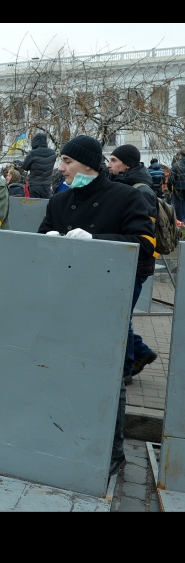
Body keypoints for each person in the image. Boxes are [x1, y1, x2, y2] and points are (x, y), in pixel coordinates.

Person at [37, 135, 156, 476]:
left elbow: (144, 242)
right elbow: (44, 234)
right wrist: (47, 241)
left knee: (110, 373)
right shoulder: (59, 202)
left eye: (67, 162)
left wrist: (97, 241)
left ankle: (112, 451)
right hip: (64, 299)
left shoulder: (126, 196)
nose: (61, 168)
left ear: (88, 164)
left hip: (106, 301)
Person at [107, 144, 160, 384]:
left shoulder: (140, 190)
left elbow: (143, 236)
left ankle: (126, 369)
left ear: (127, 164)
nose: (109, 165)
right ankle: (140, 352)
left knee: (121, 316)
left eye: (114, 160)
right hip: (126, 261)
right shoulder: (126, 185)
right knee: (119, 314)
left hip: (137, 264)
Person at [22, 133, 57, 199]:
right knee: (47, 206)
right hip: (47, 185)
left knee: (35, 206)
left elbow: (25, 167)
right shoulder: (53, 154)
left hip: (34, 185)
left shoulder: (32, 153)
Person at [169, 151, 185, 221]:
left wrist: (170, 188)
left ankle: (181, 221)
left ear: (181, 155)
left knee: (179, 205)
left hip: (178, 188)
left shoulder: (176, 165)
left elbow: (171, 179)